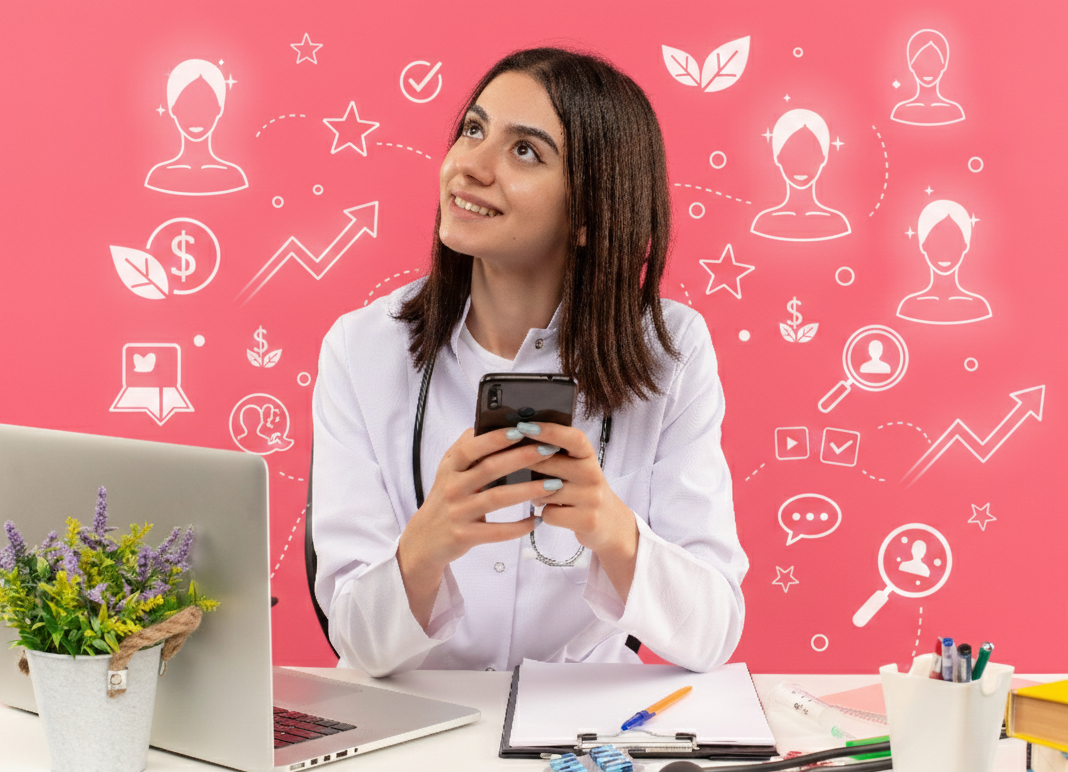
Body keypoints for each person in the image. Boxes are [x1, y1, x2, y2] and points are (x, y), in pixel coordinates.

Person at [311, 48, 747, 678]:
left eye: (524, 151)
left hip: (583, 719)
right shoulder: (361, 348)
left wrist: (614, 531)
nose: (470, 165)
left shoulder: (670, 350)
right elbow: (357, 643)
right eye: (473, 129)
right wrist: (427, 544)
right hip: (420, 715)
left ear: (590, 214)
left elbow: (712, 635)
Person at [145, 59, 248, 196]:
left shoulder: (233, 176)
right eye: (187, 105)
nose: (196, 117)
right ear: (173, 109)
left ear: (219, 109)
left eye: (205, 105)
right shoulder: (158, 176)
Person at [750, 109, 850, 242]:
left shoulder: (838, 223)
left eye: (810, 154)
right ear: (778, 158)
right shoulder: (764, 222)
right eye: (792, 154)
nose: (801, 165)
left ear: (823, 158)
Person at [895, 199, 992, 324]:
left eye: (952, 241)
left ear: (965, 245)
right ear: (923, 245)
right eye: (937, 241)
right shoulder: (909, 306)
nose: (944, 252)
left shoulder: (978, 307)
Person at [890, 29, 966, 127]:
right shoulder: (901, 111)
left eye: (934, 62)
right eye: (920, 63)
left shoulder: (954, 111)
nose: (927, 70)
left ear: (943, 65)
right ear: (911, 65)